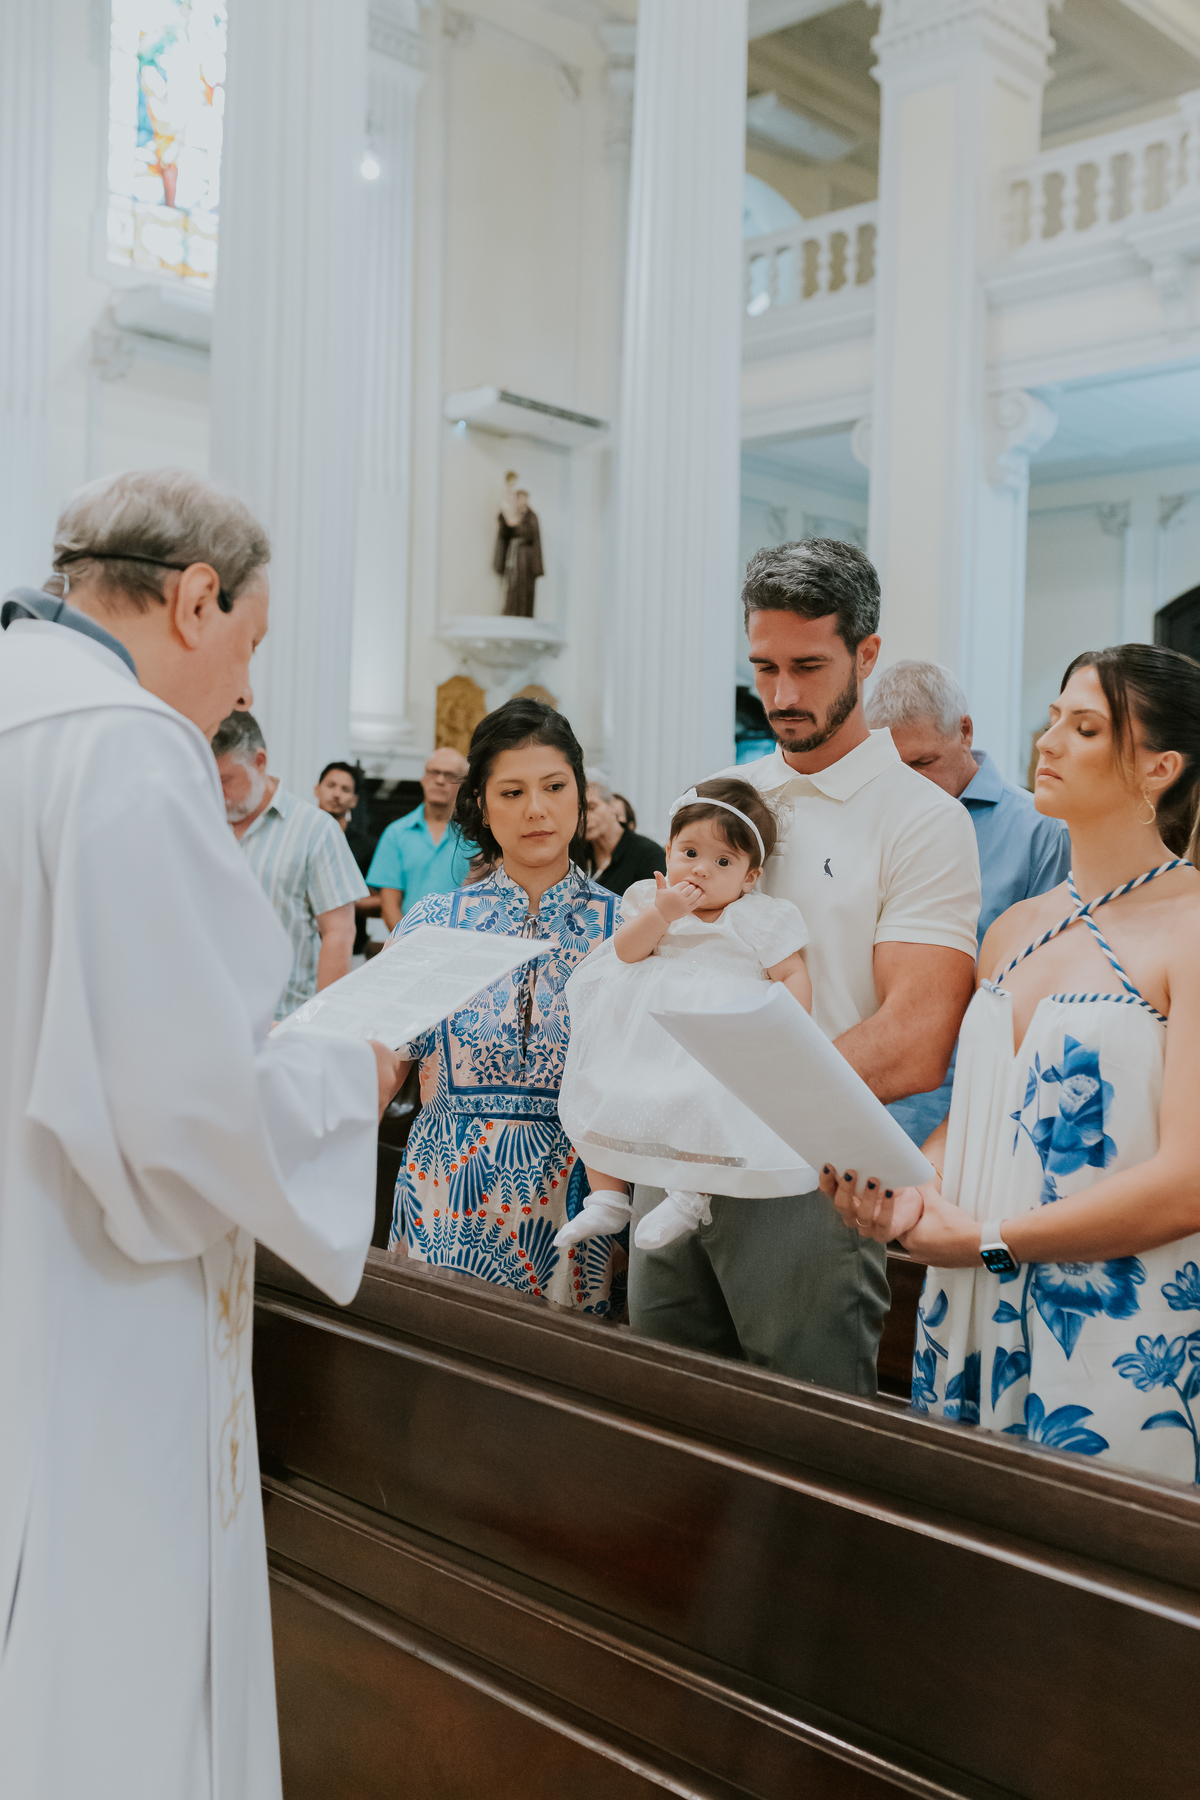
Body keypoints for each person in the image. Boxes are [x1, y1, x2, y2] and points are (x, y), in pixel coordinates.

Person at [0, 466, 404, 1798]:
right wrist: (352, 1074)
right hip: (89, 1303)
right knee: (102, 1671)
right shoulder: (120, 746)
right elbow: (183, 1112)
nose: (242, 685)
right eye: (250, 641)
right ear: (192, 598)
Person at [821, 644, 1200, 1485]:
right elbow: (981, 1113)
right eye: (1055, 715)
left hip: (1115, 1321)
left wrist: (991, 1242)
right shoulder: (1013, 929)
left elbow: (1189, 1181)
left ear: (1160, 766)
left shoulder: (1192, 928)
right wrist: (905, 1186)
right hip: (973, 1308)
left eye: (1086, 727)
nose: (1048, 739)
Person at [628, 538, 982, 1394]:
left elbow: (916, 1039)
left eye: (809, 666)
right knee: (663, 1424)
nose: (783, 696)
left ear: (866, 654)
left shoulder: (921, 820)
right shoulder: (712, 798)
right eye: (764, 667)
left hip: (811, 1178)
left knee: (805, 1447)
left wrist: (733, 1098)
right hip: (674, 1162)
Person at [386, 697, 625, 1312]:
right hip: (446, 1198)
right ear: (483, 808)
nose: (537, 809)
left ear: (580, 795)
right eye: (512, 792)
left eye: (553, 786)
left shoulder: (627, 928)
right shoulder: (437, 925)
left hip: (574, 1205)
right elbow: (378, 1069)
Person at [557, 778, 812, 1251]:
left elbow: (792, 973)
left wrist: (787, 1029)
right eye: (689, 853)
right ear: (669, 848)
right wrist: (663, 914)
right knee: (600, 1089)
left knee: (706, 1104)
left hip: (713, 1039)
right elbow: (626, 953)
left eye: (722, 862)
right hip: (646, 1035)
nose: (700, 872)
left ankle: (689, 1197)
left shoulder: (757, 917)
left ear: (750, 877)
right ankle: (607, 1198)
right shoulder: (649, 901)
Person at [864, 660, 1070, 1147]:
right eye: (893, 769)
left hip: (974, 1114)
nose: (909, 785)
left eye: (922, 764)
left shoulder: (1041, 834)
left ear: (964, 731)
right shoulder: (875, 822)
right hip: (868, 1101)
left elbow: (1037, 1003)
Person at [213, 710, 368, 1018]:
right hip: (209, 1014)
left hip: (283, 1016)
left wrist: (324, 1023)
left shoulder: (315, 830)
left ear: (259, 762)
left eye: (226, 779)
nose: (217, 791)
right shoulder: (202, 819)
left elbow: (338, 932)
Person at [366, 746, 477, 931]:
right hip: (408, 945)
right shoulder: (396, 834)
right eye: (434, 772)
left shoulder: (477, 836)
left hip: (463, 944)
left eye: (449, 775)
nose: (440, 780)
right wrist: (408, 945)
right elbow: (389, 906)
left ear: (463, 783)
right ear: (423, 778)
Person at [314, 759, 384, 952]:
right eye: (331, 786)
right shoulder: (300, 836)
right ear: (317, 790)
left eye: (345, 789)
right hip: (302, 946)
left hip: (350, 949)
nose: (337, 794)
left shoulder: (367, 846)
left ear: (354, 800)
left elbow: (383, 902)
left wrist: (337, 900)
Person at [584, 770, 666, 895]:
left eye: (591, 808)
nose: (583, 818)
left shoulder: (647, 854)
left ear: (612, 805)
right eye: (577, 811)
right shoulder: (575, 853)